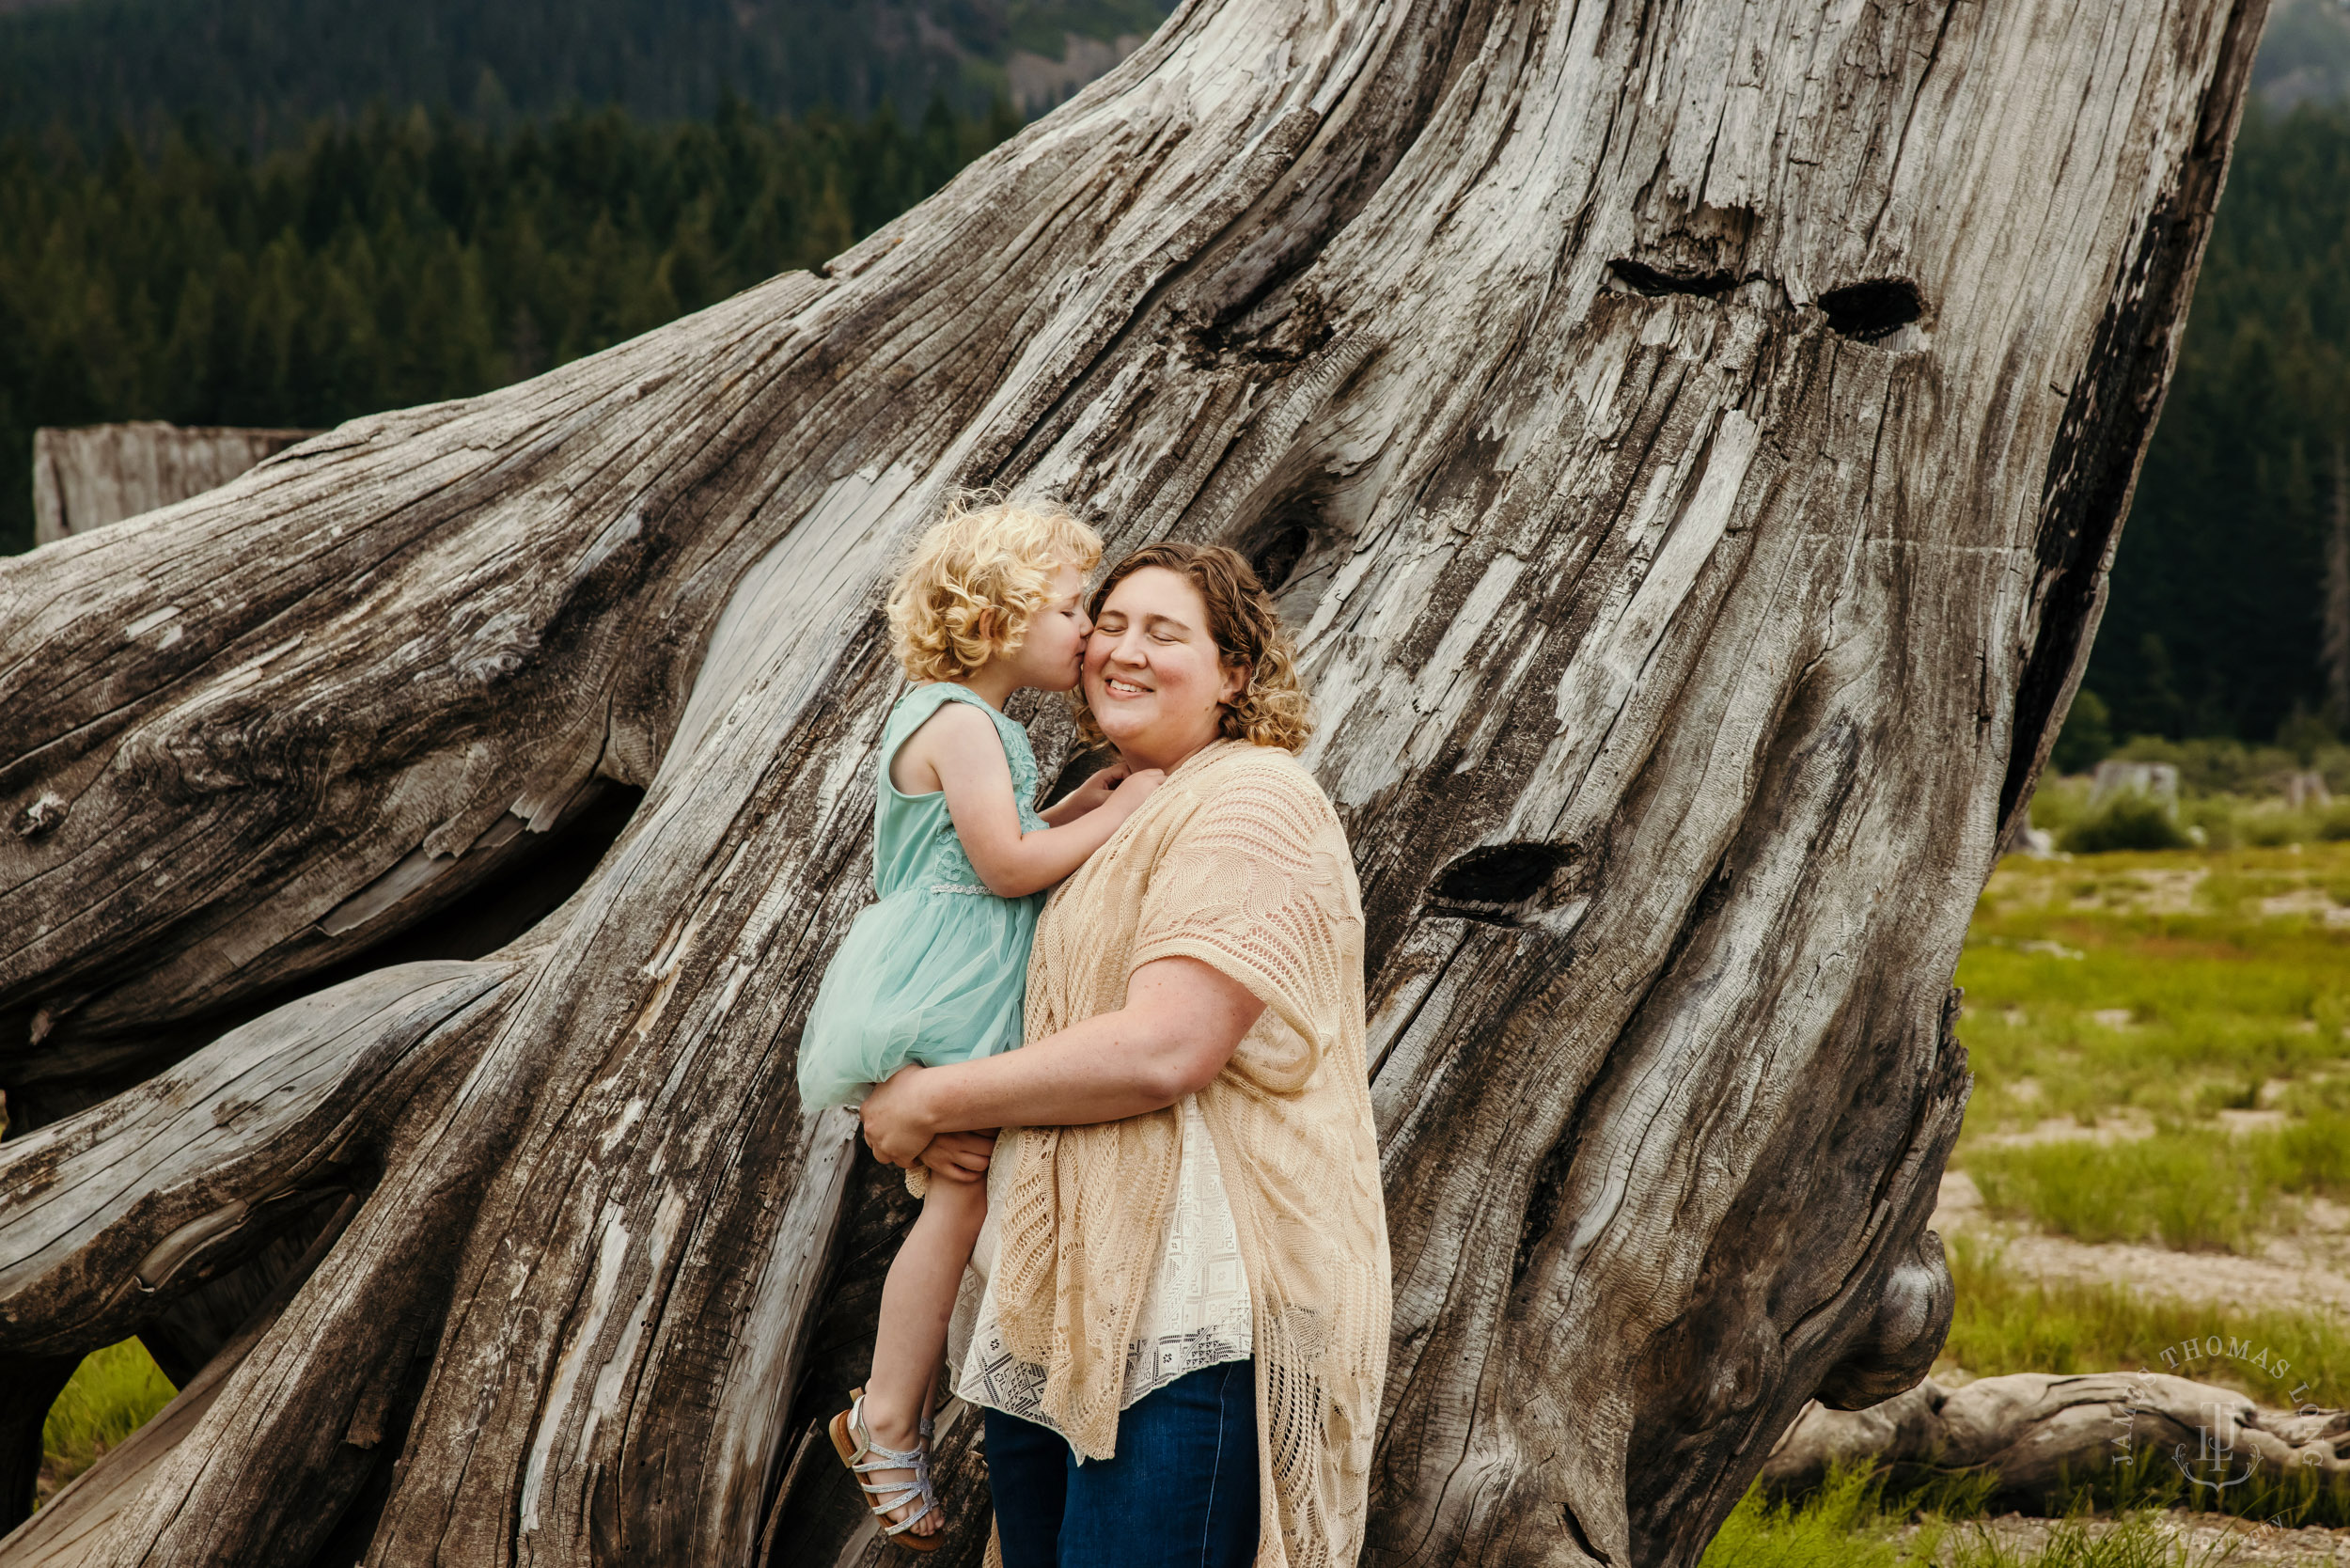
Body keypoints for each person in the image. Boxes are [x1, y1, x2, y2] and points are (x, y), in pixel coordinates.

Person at [860, 541, 1391, 1568]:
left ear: (1235, 673)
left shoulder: (1250, 799)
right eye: (1110, 625)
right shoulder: (1121, 804)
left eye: (1164, 632)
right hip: (1066, 1308)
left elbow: (1164, 1048)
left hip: (1195, 1319)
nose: (1123, 651)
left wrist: (928, 1101)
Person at [798, 494, 1167, 1548]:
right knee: (958, 1208)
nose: (1089, 631)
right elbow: (1003, 871)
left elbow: (987, 849)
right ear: (997, 618)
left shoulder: (964, 721)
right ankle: (886, 1419)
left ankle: (911, 1411)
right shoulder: (962, 723)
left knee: (968, 1205)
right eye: (1070, 608)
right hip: (943, 983)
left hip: (949, 968)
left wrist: (1072, 810)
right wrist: (1127, 816)